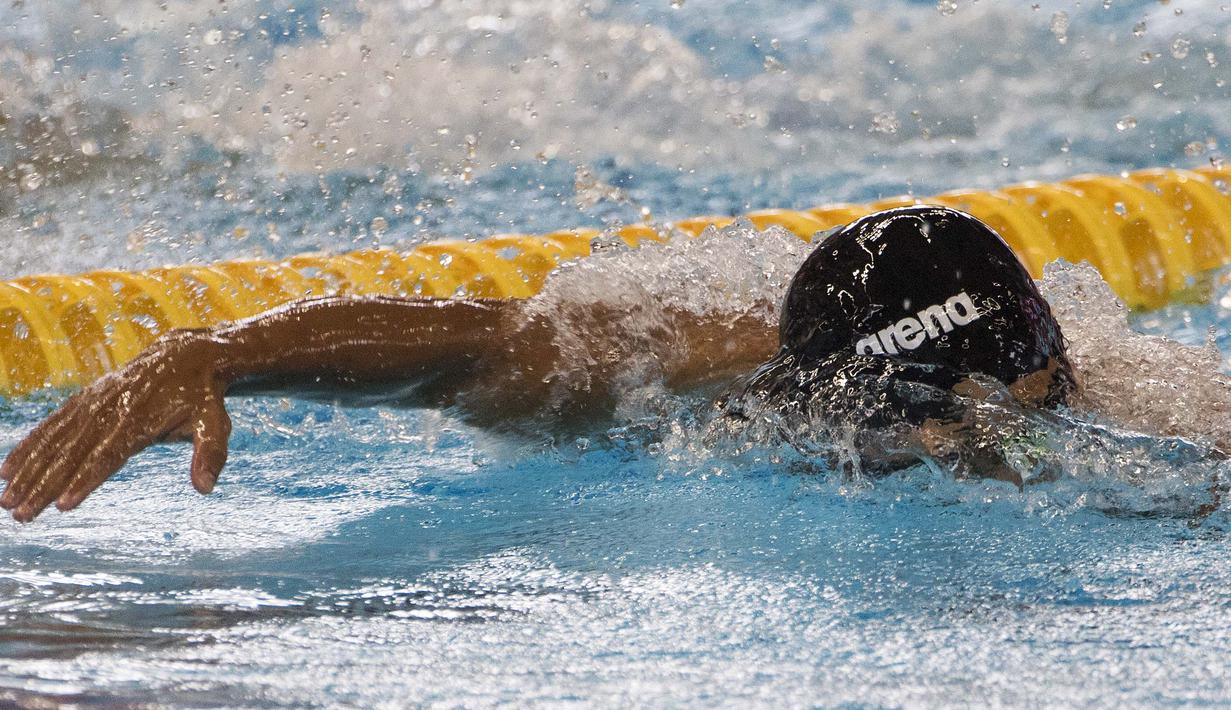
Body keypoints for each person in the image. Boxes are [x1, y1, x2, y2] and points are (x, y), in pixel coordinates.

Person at [0, 206, 1076, 522]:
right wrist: (218, 350)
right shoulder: (708, 356)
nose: (851, 438)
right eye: (838, 405)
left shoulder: (1160, 415)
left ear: (1027, 387)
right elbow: (476, 346)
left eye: (895, 419)